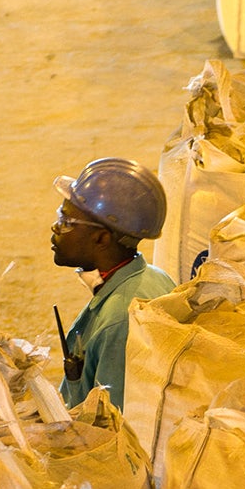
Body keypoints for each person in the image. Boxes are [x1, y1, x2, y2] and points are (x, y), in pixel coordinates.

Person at [51, 157, 173, 410]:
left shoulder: (119, 321)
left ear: (101, 238)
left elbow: (113, 429)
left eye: (66, 222)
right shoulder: (155, 276)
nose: (55, 227)